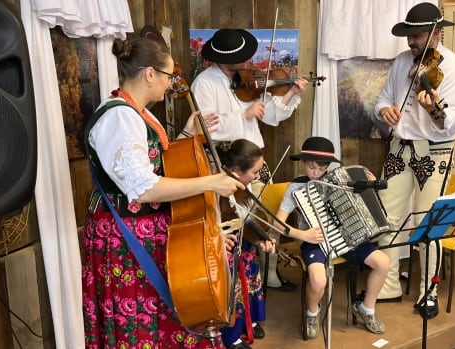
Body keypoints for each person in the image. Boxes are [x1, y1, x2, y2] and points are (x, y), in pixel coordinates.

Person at [81, 37, 245, 348]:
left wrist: (186, 134)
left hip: (147, 229)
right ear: (150, 74)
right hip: (126, 236)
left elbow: (153, 163)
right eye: (169, 76)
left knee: (162, 319)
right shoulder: (120, 116)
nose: (171, 84)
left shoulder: (137, 111)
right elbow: (143, 188)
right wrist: (211, 182)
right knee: (142, 321)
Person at [191, 28, 309, 292]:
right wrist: (243, 115)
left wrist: (291, 93)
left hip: (256, 161)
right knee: (237, 218)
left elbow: (271, 116)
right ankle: (235, 284)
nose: (249, 60)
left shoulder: (247, 78)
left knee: (264, 215)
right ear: (223, 58)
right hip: (229, 164)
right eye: (242, 56)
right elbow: (205, 129)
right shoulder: (204, 83)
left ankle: (269, 274)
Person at [373, 2, 455, 319]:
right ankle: (386, 287)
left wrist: (435, 109)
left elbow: (454, 122)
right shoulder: (402, 62)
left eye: (418, 35)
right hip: (400, 147)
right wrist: (383, 111)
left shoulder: (454, 69)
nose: (412, 41)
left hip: (435, 150)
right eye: (410, 35)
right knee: (387, 217)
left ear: (436, 33)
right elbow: (384, 98)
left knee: (429, 223)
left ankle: (429, 291)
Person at [272, 136, 390, 338]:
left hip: (349, 236)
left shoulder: (342, 181)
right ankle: (312, 312)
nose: (316, 173)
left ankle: (366, 308)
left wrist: (369, 184)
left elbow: (364, 206)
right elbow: (276, 223)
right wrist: (303, 235)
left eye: (321, 168)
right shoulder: (296, 187)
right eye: (311, 167)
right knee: (319, 281)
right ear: (303, 163)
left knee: (383, 263)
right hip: (314, 240)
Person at [216, 139, 277, 349]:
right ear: (234, 170)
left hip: (246, 246)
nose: (258, 176)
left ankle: (249, 321)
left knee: (250, 284)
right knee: (236, 291)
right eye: (255, 171)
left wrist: (261, 237)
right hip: (230, 249)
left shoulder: (243, 186)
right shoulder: (219, 189)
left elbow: (250, 219)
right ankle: (232, 336)